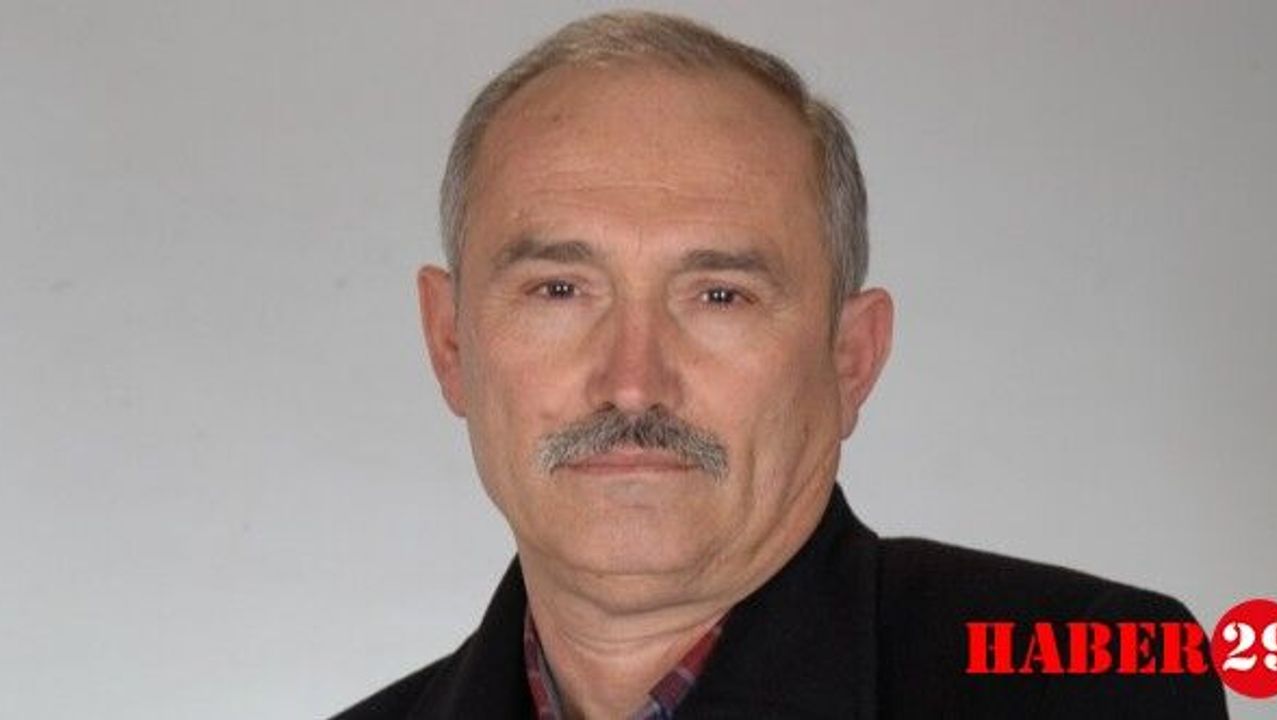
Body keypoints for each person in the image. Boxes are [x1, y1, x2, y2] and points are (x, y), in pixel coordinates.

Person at [333, 11, 1227, 719]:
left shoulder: (1087, 685)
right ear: (450, 343)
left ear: (851, 360)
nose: (633, 382)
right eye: (560, 290)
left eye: (720, 296)